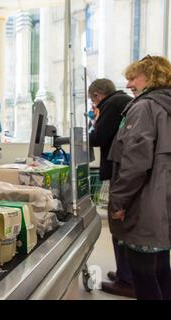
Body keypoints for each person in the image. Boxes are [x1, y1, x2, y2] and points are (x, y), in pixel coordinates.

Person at [108, 55, 171, 300]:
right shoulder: (165, 106)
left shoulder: (145, 107)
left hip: (146, 205)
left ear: (152, 77)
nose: (128, 85)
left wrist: (118, 203)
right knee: (161, 268)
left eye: (133, 78)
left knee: (143, 275)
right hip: (163, 205)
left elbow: (135, 164)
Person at [88, 79, 135, 298]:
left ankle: (126, 279)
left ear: (98, 95)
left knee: (118, 225)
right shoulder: (123, 101)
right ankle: (126, 274)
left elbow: (98, 138)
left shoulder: (110, 105)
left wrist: (87, 129)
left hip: (119, 170)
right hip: (124, 168)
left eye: (92, 100)